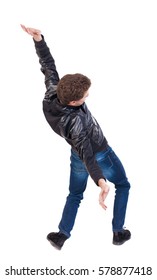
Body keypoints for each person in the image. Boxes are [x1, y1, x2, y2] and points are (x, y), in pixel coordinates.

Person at [21, 24, 131, 250]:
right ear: (72, 102)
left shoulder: (54, 92)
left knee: (74, 194)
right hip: (99, 154)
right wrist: (101, 182)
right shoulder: (76, 123)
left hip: (76, 156)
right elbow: (89, 156)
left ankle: (61, 235)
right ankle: (118, 232)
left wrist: (39, 40)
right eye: (84, 97)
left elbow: (48, 67)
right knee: (123, 185)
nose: (87, 96)